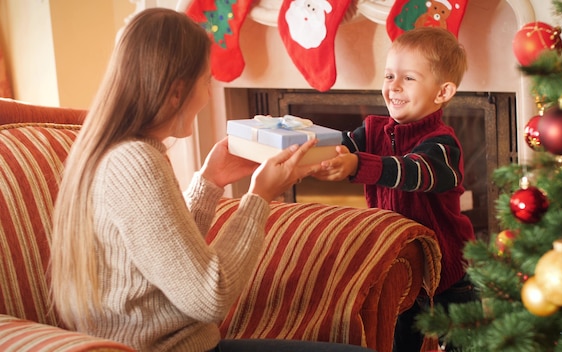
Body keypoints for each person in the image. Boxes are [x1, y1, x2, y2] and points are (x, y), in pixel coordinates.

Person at [49, 8, 373, 352]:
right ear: (176, 92)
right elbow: (209, 294)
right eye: (206, 82)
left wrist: (209, 181)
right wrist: (259, 198)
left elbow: (169, 258)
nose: (207, 96)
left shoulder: (118, 151)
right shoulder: (137, 163)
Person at [312, 27, 478, 351]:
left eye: (409, 78)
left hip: (448, 269)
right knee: (402, 340)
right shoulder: (373, 130)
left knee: (463, 342)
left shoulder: (443, 146)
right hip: (400, 263)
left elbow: (413, 171)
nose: (394, 86)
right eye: (389, 75)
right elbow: (339, 145)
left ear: (442, 92)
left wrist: (359, 165)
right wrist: (295, 139)